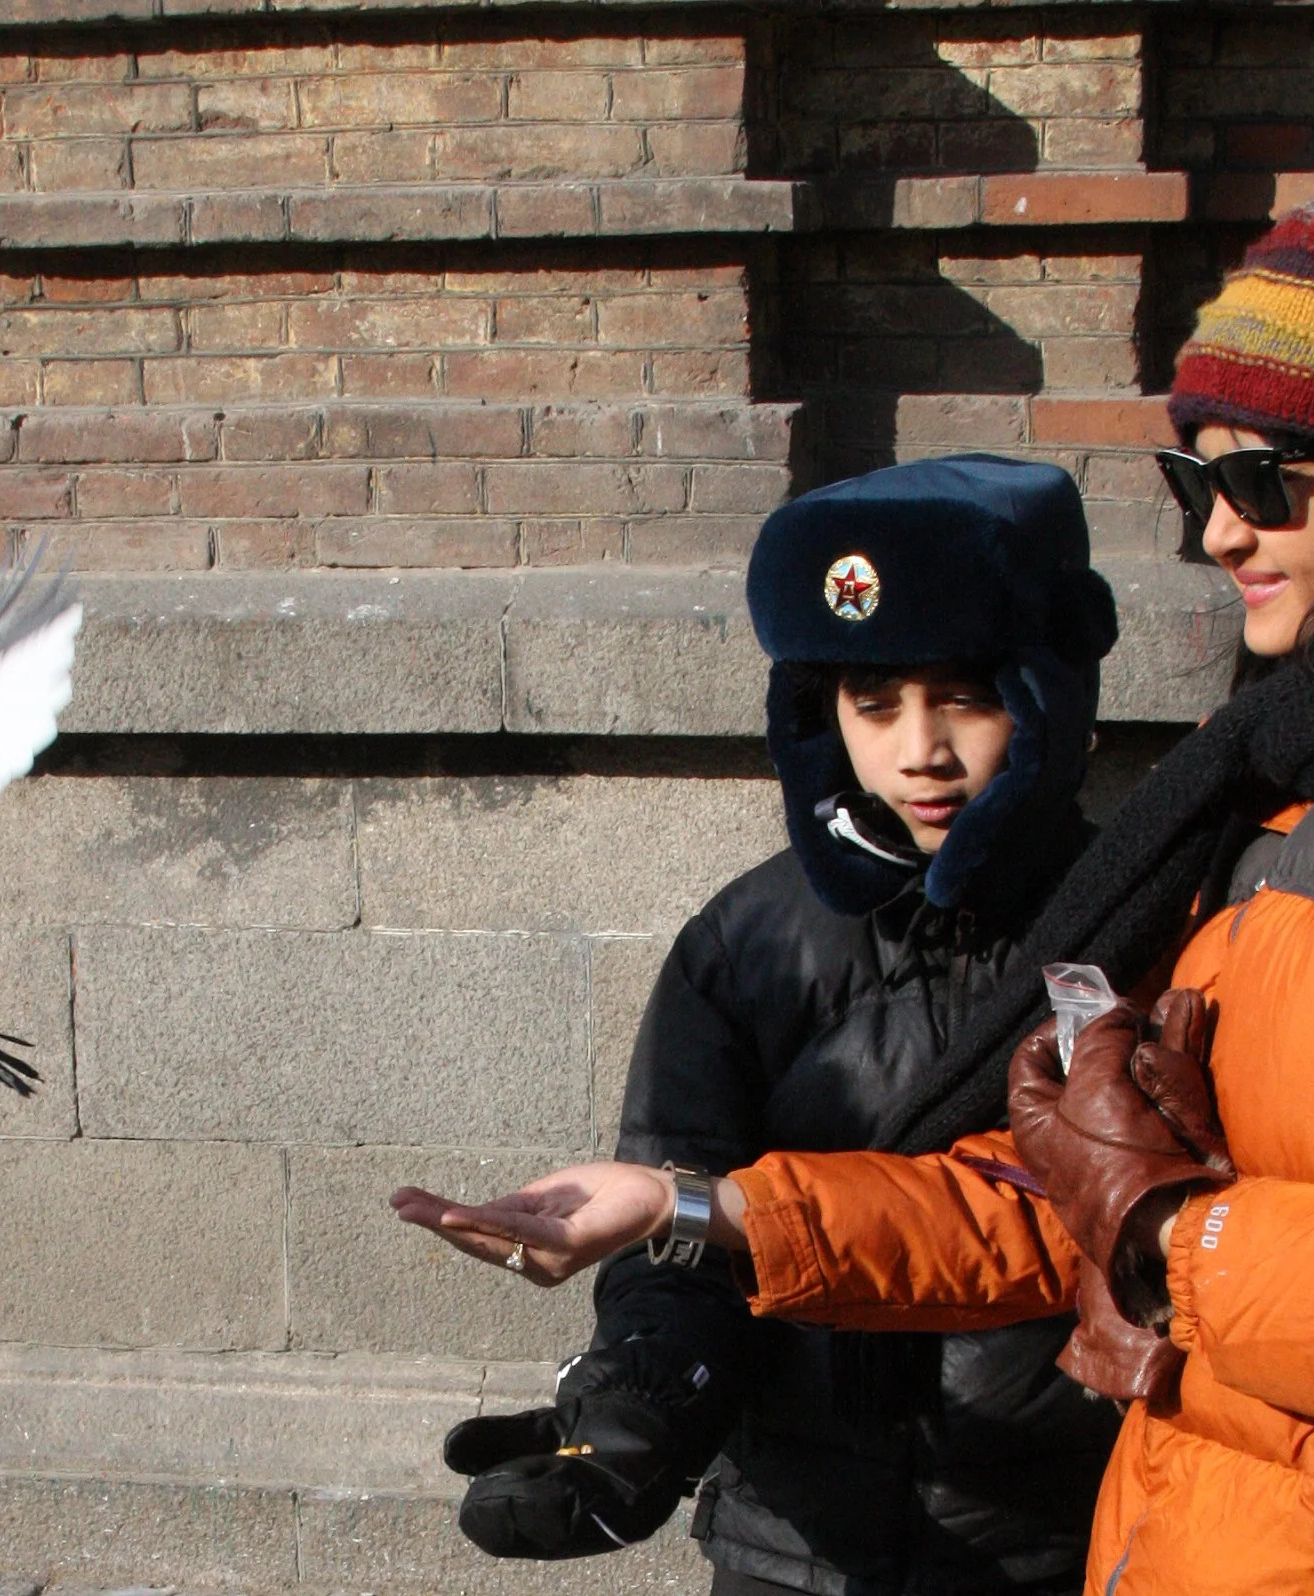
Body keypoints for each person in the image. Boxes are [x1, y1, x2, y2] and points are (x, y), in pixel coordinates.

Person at [399, 190, 1314, 1593]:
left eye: (1262, 480)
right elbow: (1065, 1196)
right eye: (1195, 486)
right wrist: (686, 1214)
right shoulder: (1270, 781)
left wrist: (1165, 1231)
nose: (1219, 535)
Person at [400, 453, 1125, 1594]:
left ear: (1047, 694)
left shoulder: (1151, 919)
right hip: (796, 1545)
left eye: (964, 696)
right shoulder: (747, 943)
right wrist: (639, 1416)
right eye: (873, 704)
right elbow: (677, 1229)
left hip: (1072, 1539)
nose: (919, 751)